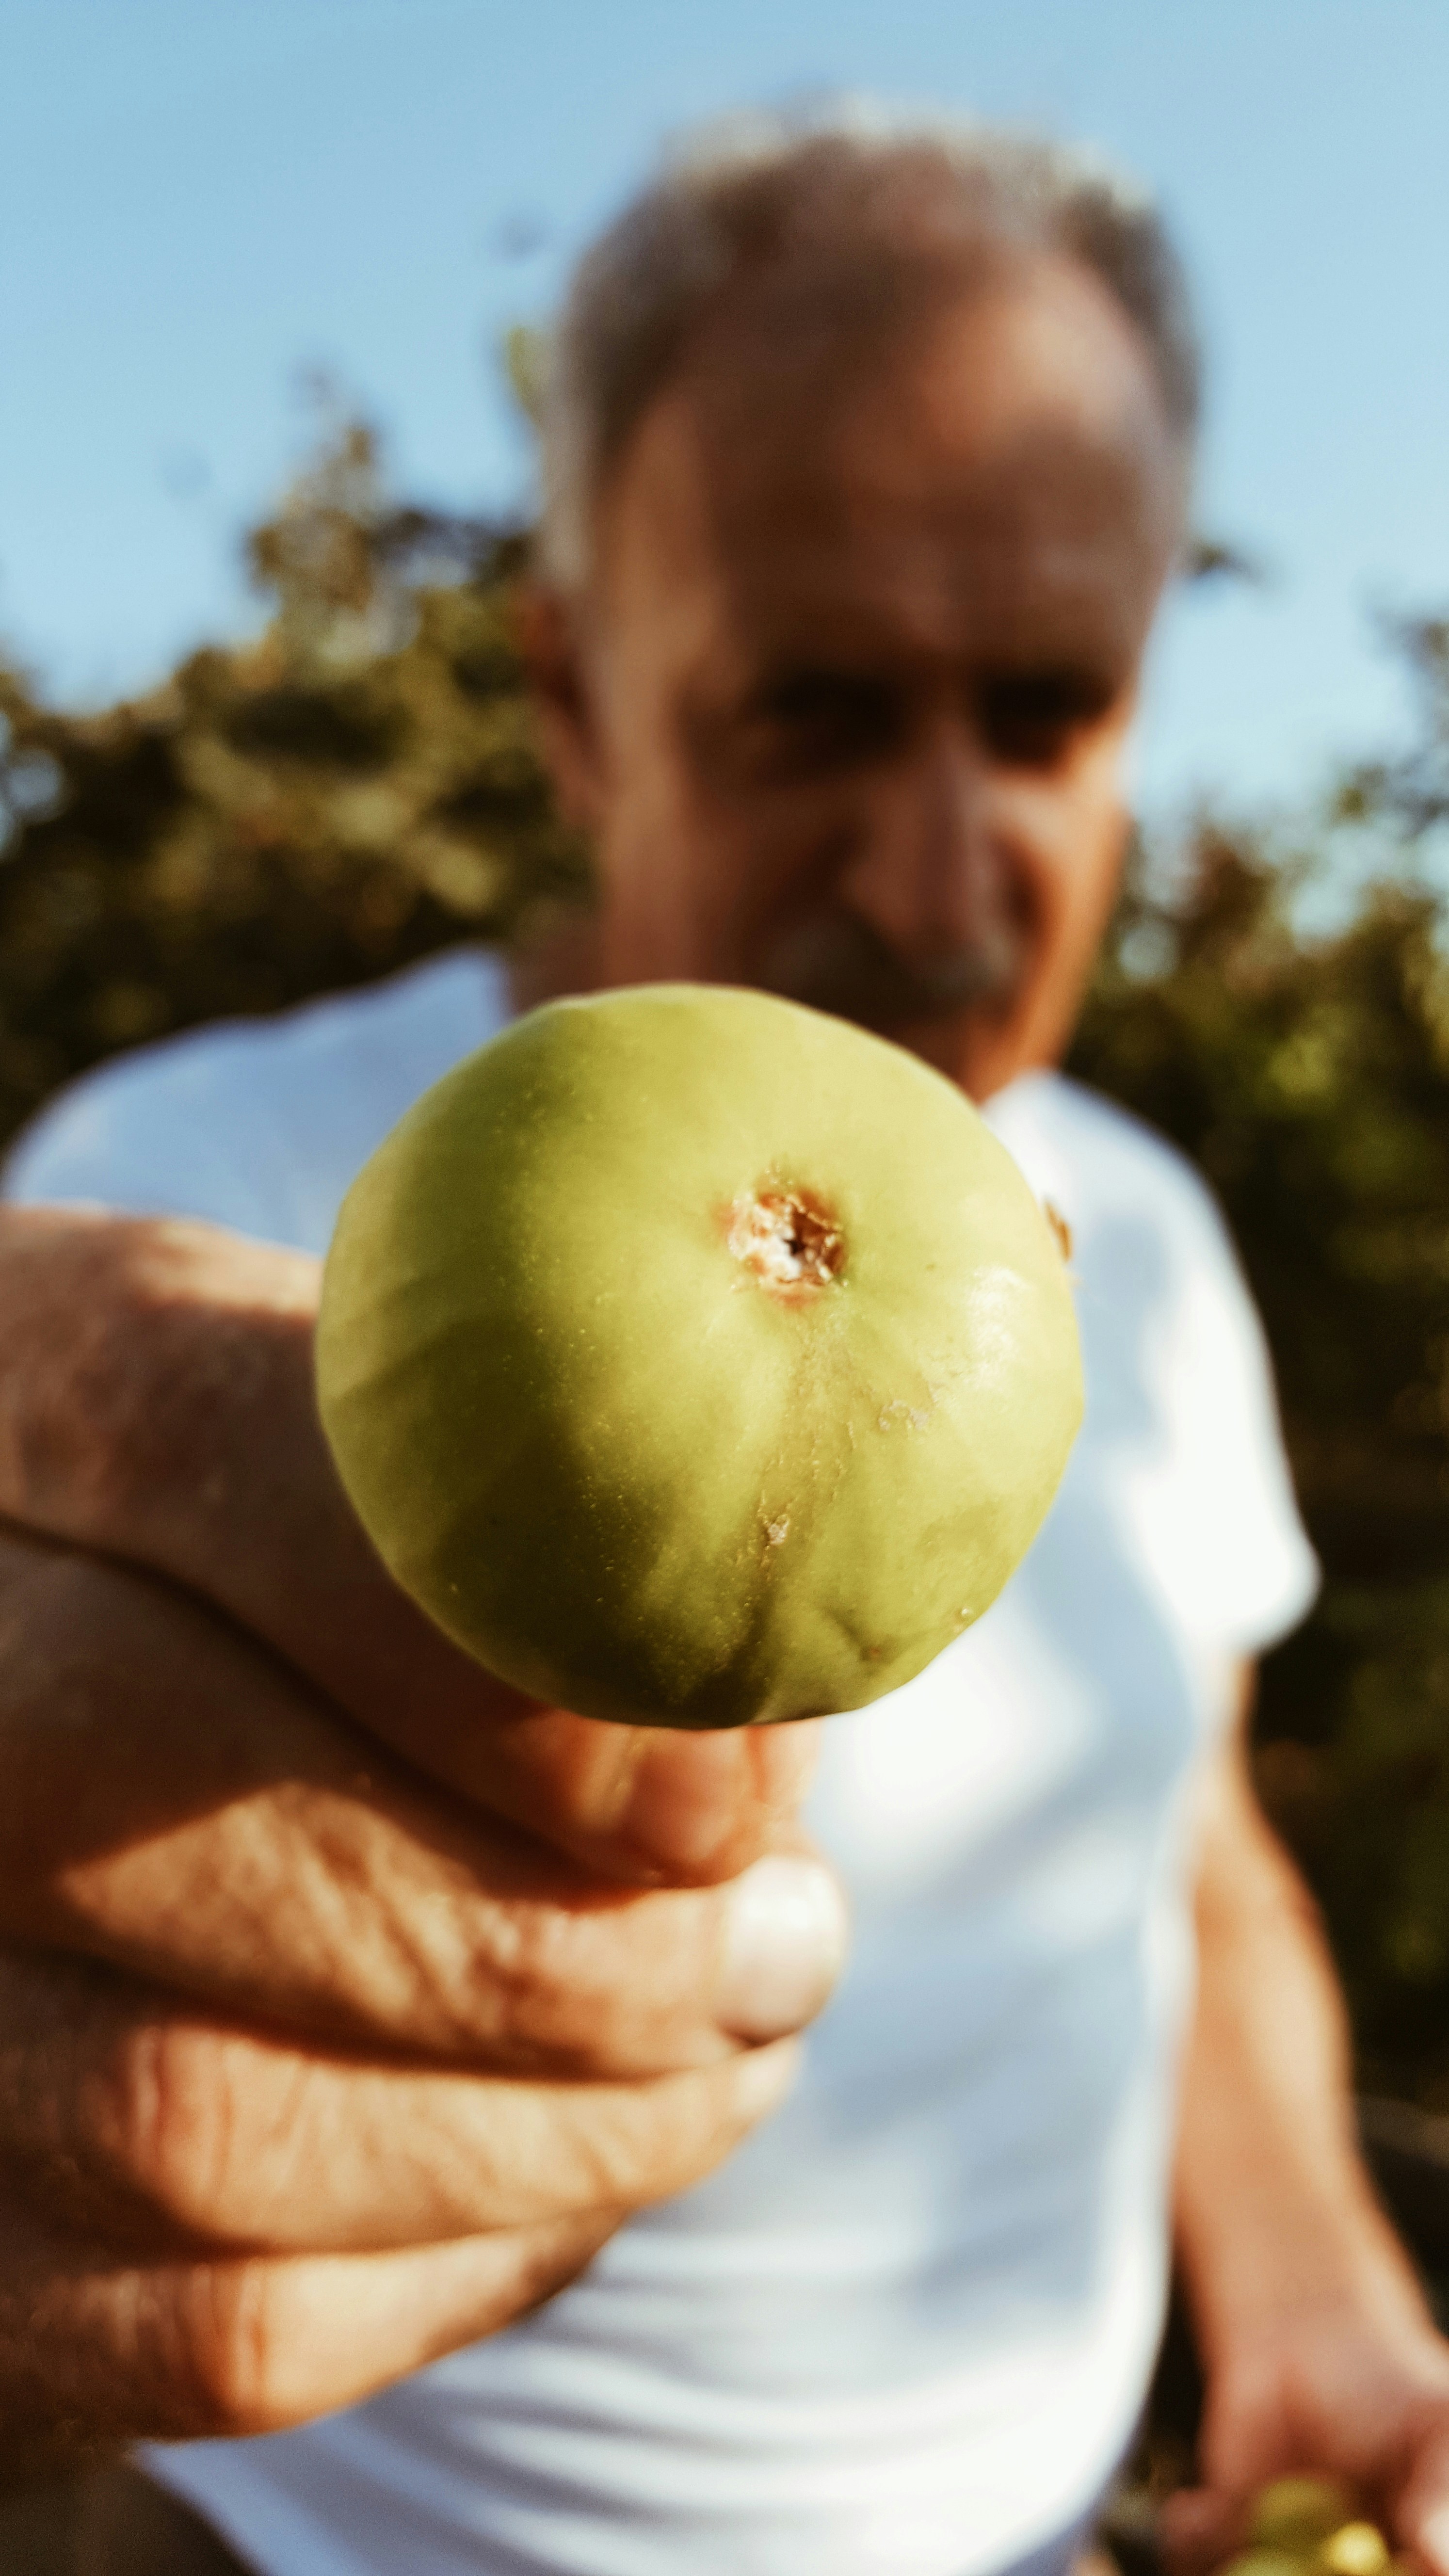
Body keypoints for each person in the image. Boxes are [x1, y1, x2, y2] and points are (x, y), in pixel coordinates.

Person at [3, 107, 1449, 2576]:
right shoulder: (200, 1202)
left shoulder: (1147, 1246)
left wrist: (1313, 2274)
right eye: (815, 709)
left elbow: (1189, 1849)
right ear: (578, 696)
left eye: (1044, 711)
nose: (942, 873)